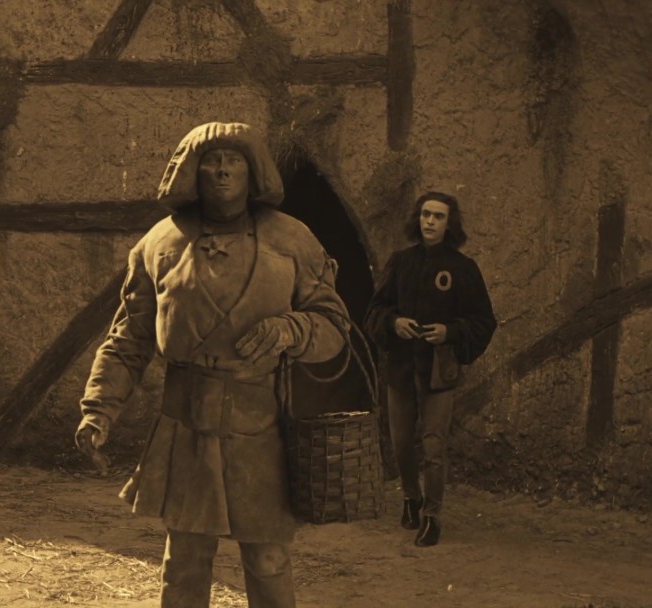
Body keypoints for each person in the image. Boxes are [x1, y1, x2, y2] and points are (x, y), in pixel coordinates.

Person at [75, 121, 350, 607]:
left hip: (261, 423)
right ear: (190, 172)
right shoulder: (160, 244)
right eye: (211, 161)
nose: (222, 171)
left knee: (268, 558)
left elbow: (334, 326)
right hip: (187, 424)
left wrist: (291, 330)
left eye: (234, 160)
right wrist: (99, 409)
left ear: (253, 171)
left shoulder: (292, 239)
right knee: (185, 558)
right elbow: (129, 339)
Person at [363, 191, 496, 547]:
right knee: (401, 444)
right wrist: (393, 323)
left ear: (450, 224)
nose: (430, 222)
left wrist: (449, 332)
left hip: (438, 373)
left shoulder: (463, 269)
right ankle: (411, 497)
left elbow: (484, 321)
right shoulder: (400, 262)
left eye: (438, 216)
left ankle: (432, 516)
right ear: (417, 219)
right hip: (402, 370)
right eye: (425, 215)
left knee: (434, 446)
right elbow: (373, 312)